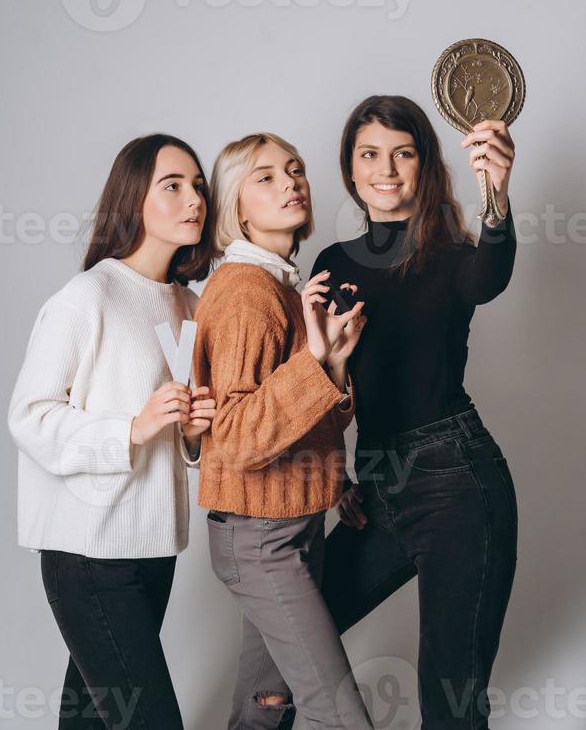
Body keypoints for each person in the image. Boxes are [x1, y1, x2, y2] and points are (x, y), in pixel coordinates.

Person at [245, 97, 519, 730]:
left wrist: (497, 200)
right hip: (377, 487)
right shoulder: (332, 265)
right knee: (285, 665)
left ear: (424, 165)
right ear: (350, 168)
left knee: (450, 701)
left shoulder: (454, 255)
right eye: (370, 153)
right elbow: (324, 381)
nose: (386, 168)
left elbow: (490, 278)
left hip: (458, 484)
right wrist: (340, 471)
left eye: (403, 152)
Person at [8, 133, 217, 730]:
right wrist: (134, 425)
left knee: (94, 719)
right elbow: (30, 415)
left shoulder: (190, 305)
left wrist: (193, 434)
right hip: (87, 551)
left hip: (154, 546)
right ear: (133, 199)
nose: (193, 199)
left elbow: (180, 440)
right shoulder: (88, 295)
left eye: (198, 186)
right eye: (172, 186)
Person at [192, 132, 375, 729]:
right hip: (262, 541)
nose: (290, 182)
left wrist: (335, 363)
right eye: (265, 176)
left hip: (291, 527)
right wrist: (313, 364)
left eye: (294, 170)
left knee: (264, 710)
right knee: (340, 715)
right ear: (236, 208)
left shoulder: (281, 287)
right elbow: (239, 437)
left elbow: (300, 417)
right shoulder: (247, 292)